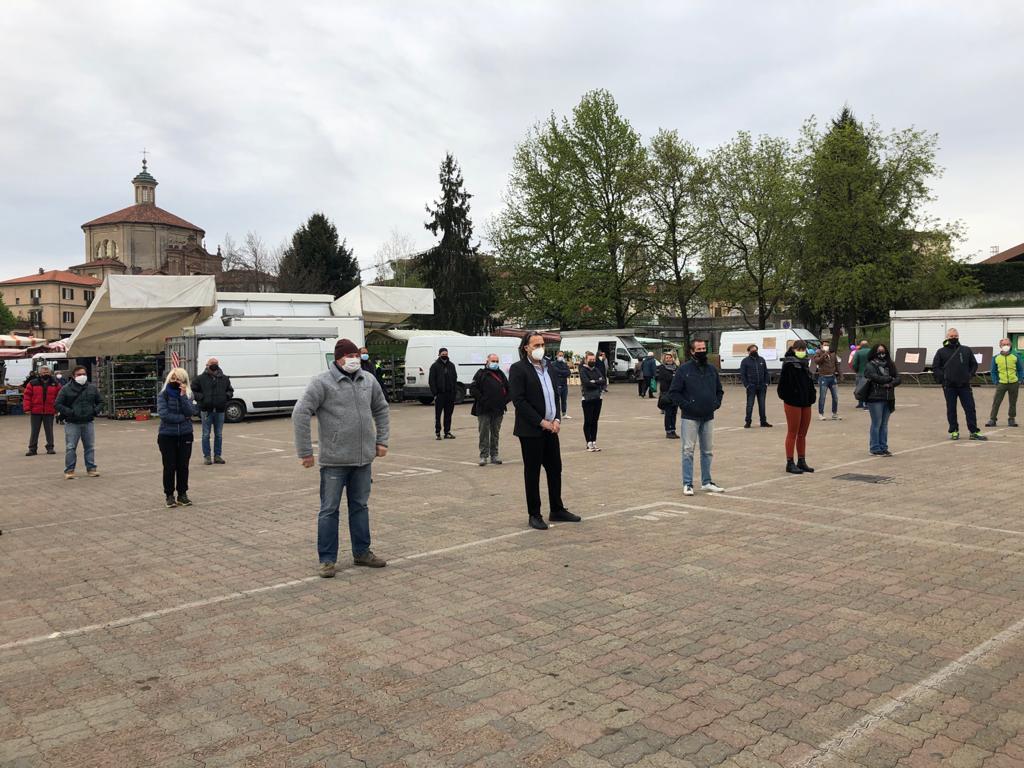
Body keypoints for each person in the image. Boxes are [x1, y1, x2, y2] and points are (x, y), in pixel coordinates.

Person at [293, 338, 390, 577]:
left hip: (363, 459)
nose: (354, 360)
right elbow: (301, 412)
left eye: (356, 356)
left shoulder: (368, 380)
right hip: (334, 461)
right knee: (329, 510)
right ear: (338, 359)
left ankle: (362, 553)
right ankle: (327, 560)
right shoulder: (322, 382)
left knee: (360, 507)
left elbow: (381, 408)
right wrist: (305, 451)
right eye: (349, 356)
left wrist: (382, 440)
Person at [508, 331, 581, 530]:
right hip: (531, 430)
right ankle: (534, 514)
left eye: (542, 344)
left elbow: (555, 394)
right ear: (526, 348)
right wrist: (542, 422)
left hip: (552, 428)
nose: (540, 348)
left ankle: (557, 509)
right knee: (532, 473)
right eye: (536, 345)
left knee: (555, 469)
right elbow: (519, 401)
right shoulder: (518, 369)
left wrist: (556, 418)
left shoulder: (549, 368)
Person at [669, 339, 724, 496]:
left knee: (707, 451)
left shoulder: (712, 369)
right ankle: (687, 483)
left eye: (704, 348)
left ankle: (707, 482)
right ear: (692, 351)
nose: (702, 351)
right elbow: (674, 392)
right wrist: (687, 405)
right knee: (688, 450)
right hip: (690, 417)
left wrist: (716, 403)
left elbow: (719, 390)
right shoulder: (684, 370)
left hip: (708, 415)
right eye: (699, 349)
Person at [932, 328, 986, 441]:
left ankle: (974, 431)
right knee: (951, 409)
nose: (954, 338)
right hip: (949, 386)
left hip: (964, 385)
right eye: (951, 336)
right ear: (947, 337)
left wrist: (969, 375)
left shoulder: (966, 350)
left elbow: (974, 365)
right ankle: (954, 431)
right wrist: (943, 379)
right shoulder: (941, 351)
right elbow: (936, 367)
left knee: (970, 408)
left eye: (955, 336)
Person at [54, 365, 104, 480]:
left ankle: (91, 468)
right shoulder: (66, 388)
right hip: (72, 423)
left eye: (83, 374)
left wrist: (94, 411)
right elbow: (57, 404)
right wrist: (70, 412)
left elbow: (101, 401)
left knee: (90, 447)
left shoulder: (92, 388)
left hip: (88, 422)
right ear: (73, 376)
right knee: (71, 447)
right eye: (79, 374)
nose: (82, 376)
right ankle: (69, 470)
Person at [157, 368, 196, 508]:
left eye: (179, 379)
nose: (176, 381)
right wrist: (183, 418)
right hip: (167, 435)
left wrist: (183, 396)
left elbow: (191, 411)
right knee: (169, 466)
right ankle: (169, 495)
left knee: (183, 466)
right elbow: (164, 415)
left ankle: (182, 494)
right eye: (173, 378)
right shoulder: (163, 395)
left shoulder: (189, 395)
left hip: (185, 434)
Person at [777, 341, 816, 474]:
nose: (801, 351)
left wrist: (811, 396)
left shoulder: (806, 363)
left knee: (802, 434)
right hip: (793, 402)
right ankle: (790, 462)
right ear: (793, 349)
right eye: (799, 349)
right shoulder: (789, 364)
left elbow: (810, 382)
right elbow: (782, 386)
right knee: (792, 432)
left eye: (803, 349)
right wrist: (791, 396)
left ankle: (801, 460)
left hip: (806, 402)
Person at [470, 353, 510, 466]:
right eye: (493, 361)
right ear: (487, 361)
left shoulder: (501, 374)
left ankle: (494, 455)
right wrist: (482, 400)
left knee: (495, 433)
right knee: (483, 432)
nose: (495, 363)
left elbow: (509, 389)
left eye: (497, 361)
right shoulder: (481, 373)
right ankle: (483, 456)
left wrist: (504, 401)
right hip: (484, 409)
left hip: (498, 410)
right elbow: (473, 389)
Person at [192, 357, 233, 466]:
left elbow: (230, 390)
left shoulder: (224, 378)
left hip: (220, 410)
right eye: (212, 363)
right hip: (206, 410)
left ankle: (217, 456)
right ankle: (207, 457)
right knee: (206, 434)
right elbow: (193, 390)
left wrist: (225, 397)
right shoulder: (200, 378)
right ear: (207, 365)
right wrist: (202, 398)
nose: (214, 365)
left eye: (216, 363)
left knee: (218, 434)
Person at [863, 343, 901, 456]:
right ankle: (874, 448)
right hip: (875, 397)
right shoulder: (870, 365)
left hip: (889, 397)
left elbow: (898, 378)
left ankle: (883, 446)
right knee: (876, 423)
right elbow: (875, 377)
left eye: (883, 351)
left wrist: (890, 383)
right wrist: (889, 379)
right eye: (879, 351)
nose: (881, 353)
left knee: (884, 424)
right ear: (875, 352)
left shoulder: (890, 364)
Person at [23, 365, 61, 456]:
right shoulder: (32, 383)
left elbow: (59, 397)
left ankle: (50, 448)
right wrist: (27, 408)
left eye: (47, 372)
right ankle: (32, 449)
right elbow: (27, 396)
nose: (45, 374)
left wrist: (57, 409)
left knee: (49, 431)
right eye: (43, 372)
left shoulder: (55, 383)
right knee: (34, 431)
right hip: (36, 411)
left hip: (49, 411)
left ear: (50, 373)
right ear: (39, 373)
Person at [986, 339, 1022, 427]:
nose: (1006, 345)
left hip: (1014, 383)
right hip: (1001, 383)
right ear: (1000, 346)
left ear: (1010, 345)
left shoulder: (1015, 356)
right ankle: (992, 419)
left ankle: (1011, 419)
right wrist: (996, 382)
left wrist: (1020, 380)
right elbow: (993, 371)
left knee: (1013, 402)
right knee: (996, 402)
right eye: (1004, 344)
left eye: (1007, 344)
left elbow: (1020, 369)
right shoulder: (996, 358)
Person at [428, 347, 458, 440]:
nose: (444, 355)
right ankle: (438, 432)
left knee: (448, 414)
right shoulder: (435, 366)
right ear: (439, 354)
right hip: (440, 394)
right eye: (443, 354)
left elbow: (455, 378)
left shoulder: (451, 365)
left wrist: (454, 392)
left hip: (450, 394)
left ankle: (447, 432)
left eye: (446, 354)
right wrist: (435, 393)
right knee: (438, 415)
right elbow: (431, 381)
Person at [739, 344, 772, 428]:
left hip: (762, 386)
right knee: (750, 405)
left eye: (756, 350)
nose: (754, 351)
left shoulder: (761, 360)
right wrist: (747, 385)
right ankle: (748, 422)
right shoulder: (745, 361)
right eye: (752, 350)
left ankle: (763, 422)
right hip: (751, 387)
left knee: (762, 405)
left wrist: (766, 383)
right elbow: (743, 375)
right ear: (749, 351)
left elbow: (766, 372)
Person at [578, 352, 605, 451]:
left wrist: (595, 382)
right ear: (586, 360)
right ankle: (588, 442)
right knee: (588, 420)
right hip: (587, 399)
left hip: (598, 398)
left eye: (594, 359)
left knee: (595, 421)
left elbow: (603, 380)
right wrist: (596, 382)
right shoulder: (583, 370)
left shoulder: (596, 369)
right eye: (590, 359)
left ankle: (594, 441)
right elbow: (586, 383)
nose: (592, 361)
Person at [813, 341, 841, 421]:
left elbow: (837, 364)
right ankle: (821, 414)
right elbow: (817, 361)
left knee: (835, 397)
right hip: (823, 378)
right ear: (821, 346)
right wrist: (824, 354)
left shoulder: (833, 353)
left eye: (828, 345)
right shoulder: (818, 353)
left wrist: (840, 375)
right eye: (825, 345)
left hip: (832, 377)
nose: (827, 346)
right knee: (822, 397)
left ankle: (834, 414)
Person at [655, 351, 679, 438]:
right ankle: (668, 431)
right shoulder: (662, 368)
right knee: (668, 413)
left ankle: (673, 430)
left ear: (673, 358)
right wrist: (674, 377)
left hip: (675, 394)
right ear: (664, 359)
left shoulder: (676, 367)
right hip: (667, 393)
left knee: (674, 413)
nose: (668, 359)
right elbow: (667, 378)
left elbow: (679, 379)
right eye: (667, 358)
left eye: (670, 357)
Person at [850, 340, 871, 409]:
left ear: (861, 345)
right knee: (868, 388)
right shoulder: (871, 352)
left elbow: (854, 363)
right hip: (870, 373)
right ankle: (867, 404)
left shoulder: (858, 352)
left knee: (859, 388)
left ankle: (860, 403)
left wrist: (856, 370)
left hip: (860, 373)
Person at [551, 352, 572, 419]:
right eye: (560, 355)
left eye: (562, 355)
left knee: (564, 400)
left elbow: (569, 373)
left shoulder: (564, 364)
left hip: (564, 385)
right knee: (556, 400)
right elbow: (556, 371)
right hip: (557, 384)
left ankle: (564, 413)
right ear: (557, 356)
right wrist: (563, 373)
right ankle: (556, 415)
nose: (561, 356)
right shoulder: (553, 364)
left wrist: (562, 373)